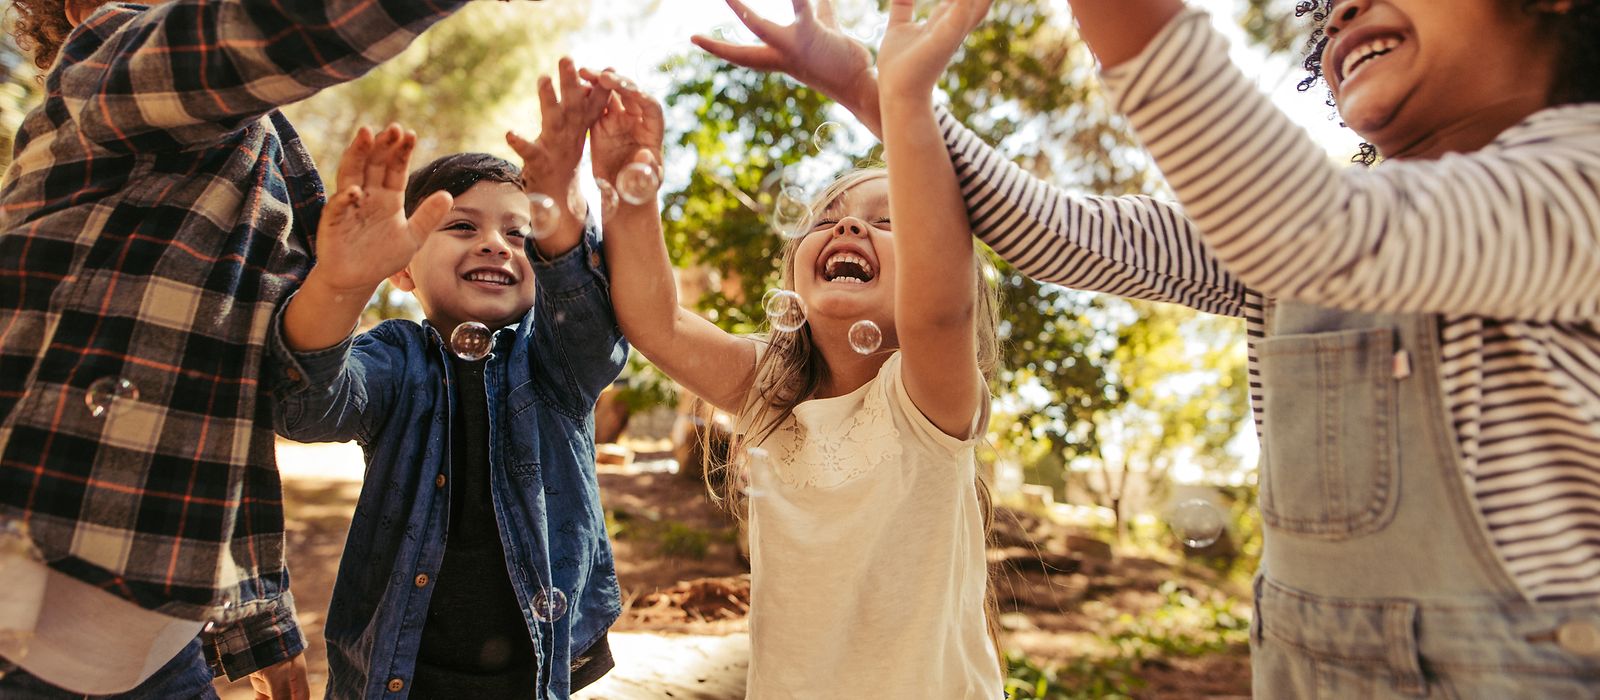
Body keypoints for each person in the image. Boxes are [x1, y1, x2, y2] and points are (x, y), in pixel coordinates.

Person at [698, 0, 1600, 695]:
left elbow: (1334, 231)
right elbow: (1057, 232)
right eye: (1328, 9)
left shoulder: (1580, 179)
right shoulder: (1277, 241)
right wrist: (878, 89)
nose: (1344, 13)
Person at [0, 0, 504, 695]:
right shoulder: (105, 64)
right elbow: (278, 30)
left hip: (158, 648)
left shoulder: (270, 152)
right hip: (20, 607)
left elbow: (237, 406)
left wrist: (258, 624)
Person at [583, 1, 1004, 692]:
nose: (848, 231)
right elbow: (656, 324)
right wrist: (630, 185)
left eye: (888, 220)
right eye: (826, 220)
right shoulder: (770, 392)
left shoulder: (927, 398)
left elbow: (939, 310)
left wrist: (898, 101)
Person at [271, 59, 627, 699]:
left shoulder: (553, 362)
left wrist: (561, 219)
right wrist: (340, 283)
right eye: (461, 226)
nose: (496, 244)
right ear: (402, 269)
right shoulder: (394, 356)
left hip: (532, 674)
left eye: (521, 235)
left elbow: (595, 334)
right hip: (397, 674)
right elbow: (308, 406)